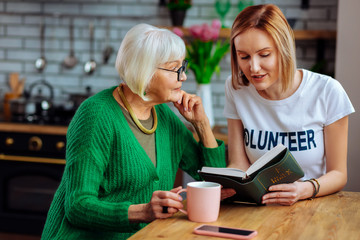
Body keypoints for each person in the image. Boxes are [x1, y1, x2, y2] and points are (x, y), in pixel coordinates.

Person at [42, 23, 235, 240]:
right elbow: (77, 206)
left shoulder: (163, 115)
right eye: (175, 69)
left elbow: (213, 184)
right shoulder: (96, 115)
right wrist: (143, 211)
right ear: (146, 71)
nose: (184, 77)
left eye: (184, 67)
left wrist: (201, 124)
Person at [224, 4, 355, 206]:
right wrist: (230, 183)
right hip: (259, 208)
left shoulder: (327, 91)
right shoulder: (236, 88)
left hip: (311, 205)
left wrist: (304, 189)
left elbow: (338, 174)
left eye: (264, 54)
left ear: (283, 50)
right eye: (244, 56)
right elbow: (239, 163)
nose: (254, 67)